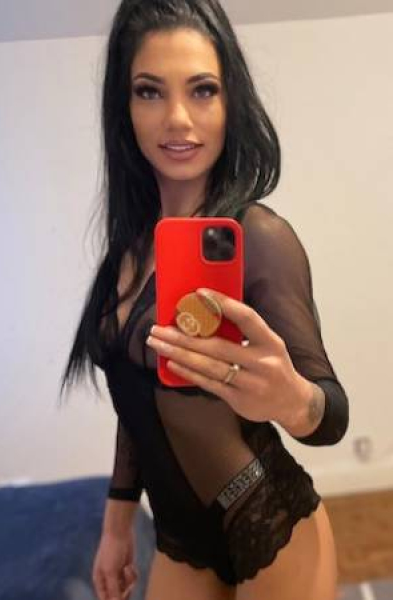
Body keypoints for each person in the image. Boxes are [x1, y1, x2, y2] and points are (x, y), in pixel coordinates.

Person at [59, 1, 349, 599]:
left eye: (202, 90)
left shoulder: (259, 238)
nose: (177, 118)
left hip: (267, 521)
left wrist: (294, 400)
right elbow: (135, 400)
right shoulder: (126, 255)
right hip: (180, 541)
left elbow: (331, 413)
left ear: (230, 102)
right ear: (124, 108)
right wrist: (116, 526)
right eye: (149, 91)